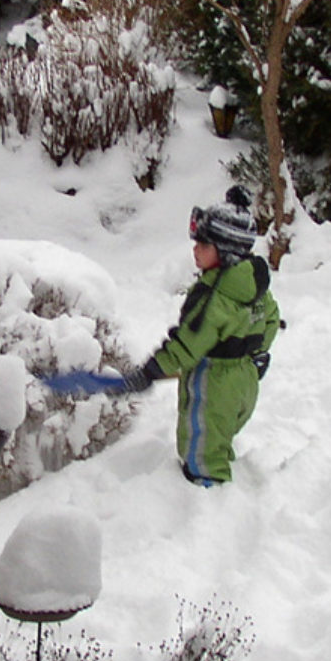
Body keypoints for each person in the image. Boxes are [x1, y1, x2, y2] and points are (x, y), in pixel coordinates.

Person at [120, 186, 281, 487]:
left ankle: (207, 500)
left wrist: (153, 370)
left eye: (204, 245)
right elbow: (270, 319)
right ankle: (221, 481)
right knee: (217, 439)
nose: (195, 250)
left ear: (227, 251)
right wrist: (257, 354)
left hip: (214, 383)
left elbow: (189, 342)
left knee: (201, 453)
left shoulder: (213, 294)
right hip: (244, 382)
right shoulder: (254, 285)